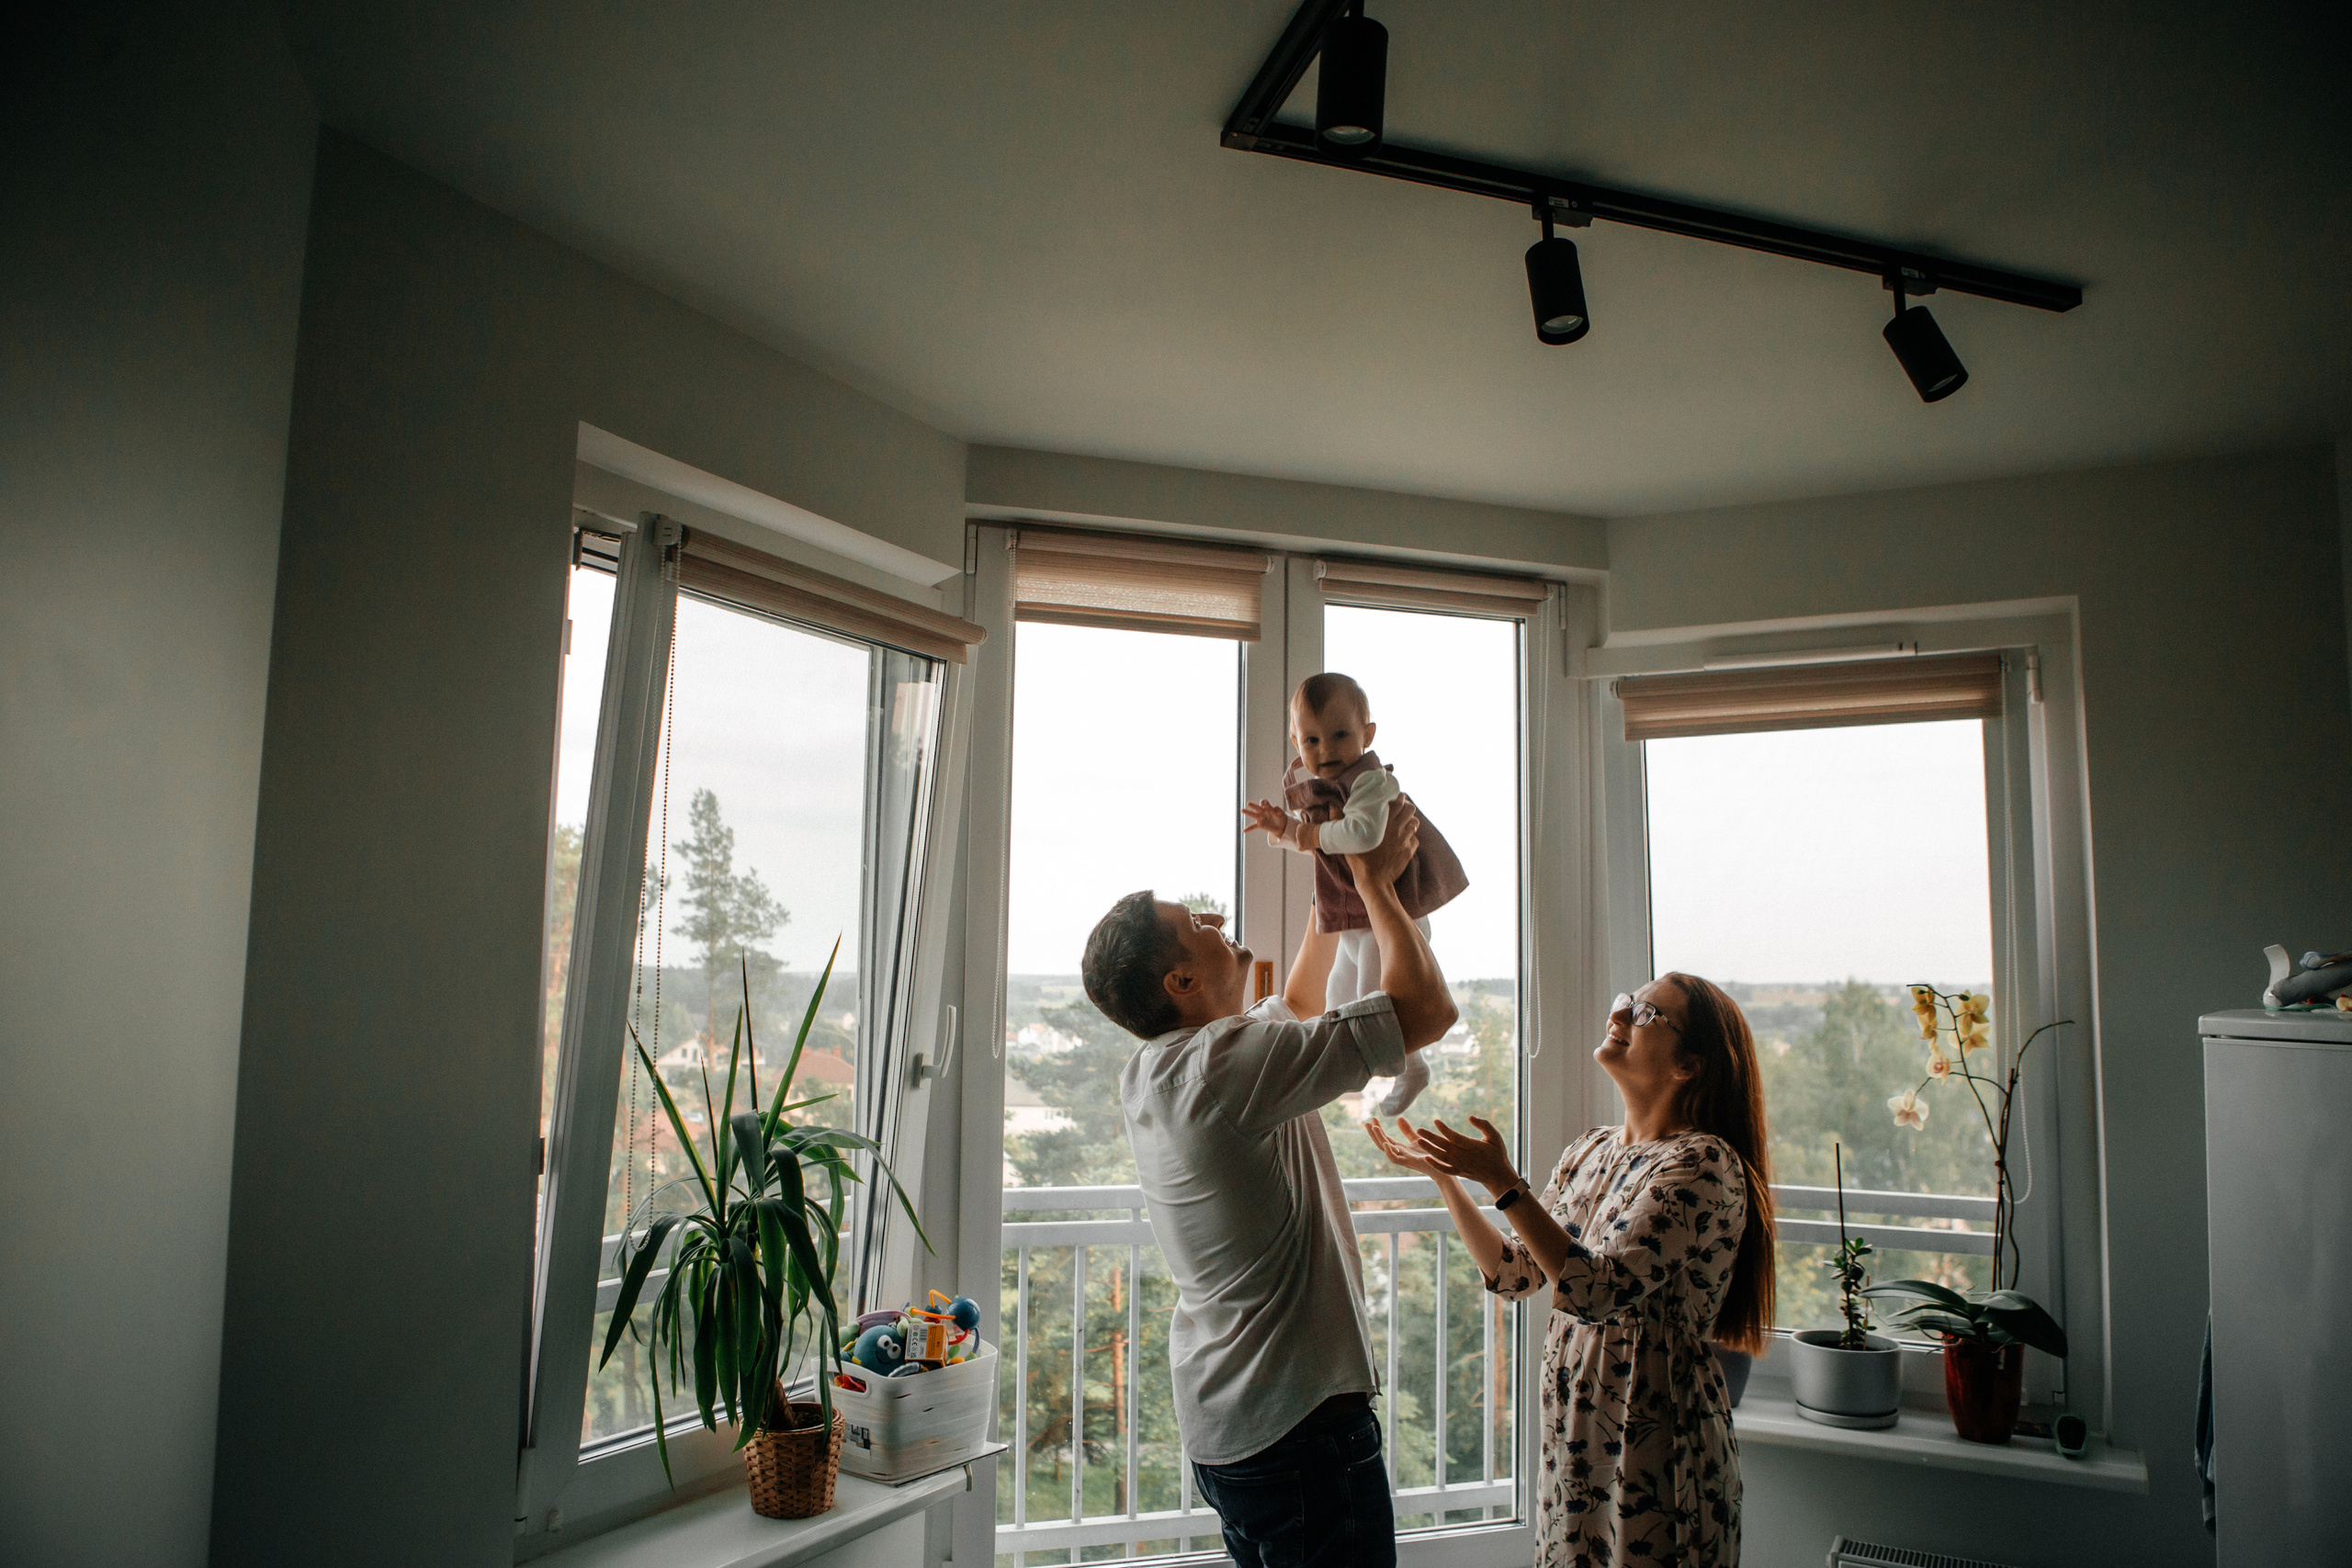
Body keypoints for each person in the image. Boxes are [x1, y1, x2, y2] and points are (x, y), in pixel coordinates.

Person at [1080, 804, 1456, 1568]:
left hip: (1233, 1432)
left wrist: (1332, 853)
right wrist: (1378, 885)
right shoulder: (1228, 1065)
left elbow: (1303, 1002)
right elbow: (1428, 1010)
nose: (1220, 917)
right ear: (1181, 977)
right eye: (1199, 922)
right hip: (1302, 1428)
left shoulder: (1159, 1070)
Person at [1368, 976, 1776, 1568]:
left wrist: (1505, 1184)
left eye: (1646, 1013)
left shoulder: (1703, 1162)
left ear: (1689, 1063)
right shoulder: (1591, 1150)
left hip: (1656, 1434)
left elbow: (1595, 1291)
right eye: (1625, 1002)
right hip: (1578, 1435)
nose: (1621, 1014)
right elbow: (1515, 1274)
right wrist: (1446, 1179)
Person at [1241, 671, 1466, 1117]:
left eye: (1340, 735)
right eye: (1311, 741)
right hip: (1350, 918)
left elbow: (1363, 834)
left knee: (1374, 999)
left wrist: (1301, 833)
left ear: (1368, 734)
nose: (1325, 751)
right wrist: (1282, 829)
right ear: (1296, 742)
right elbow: (1313, 840)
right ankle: (1352, 1080)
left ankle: (1412, 1066)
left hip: (1390, 912)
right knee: (1339, 1003)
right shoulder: (1316, 791)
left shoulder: (1370, 782)